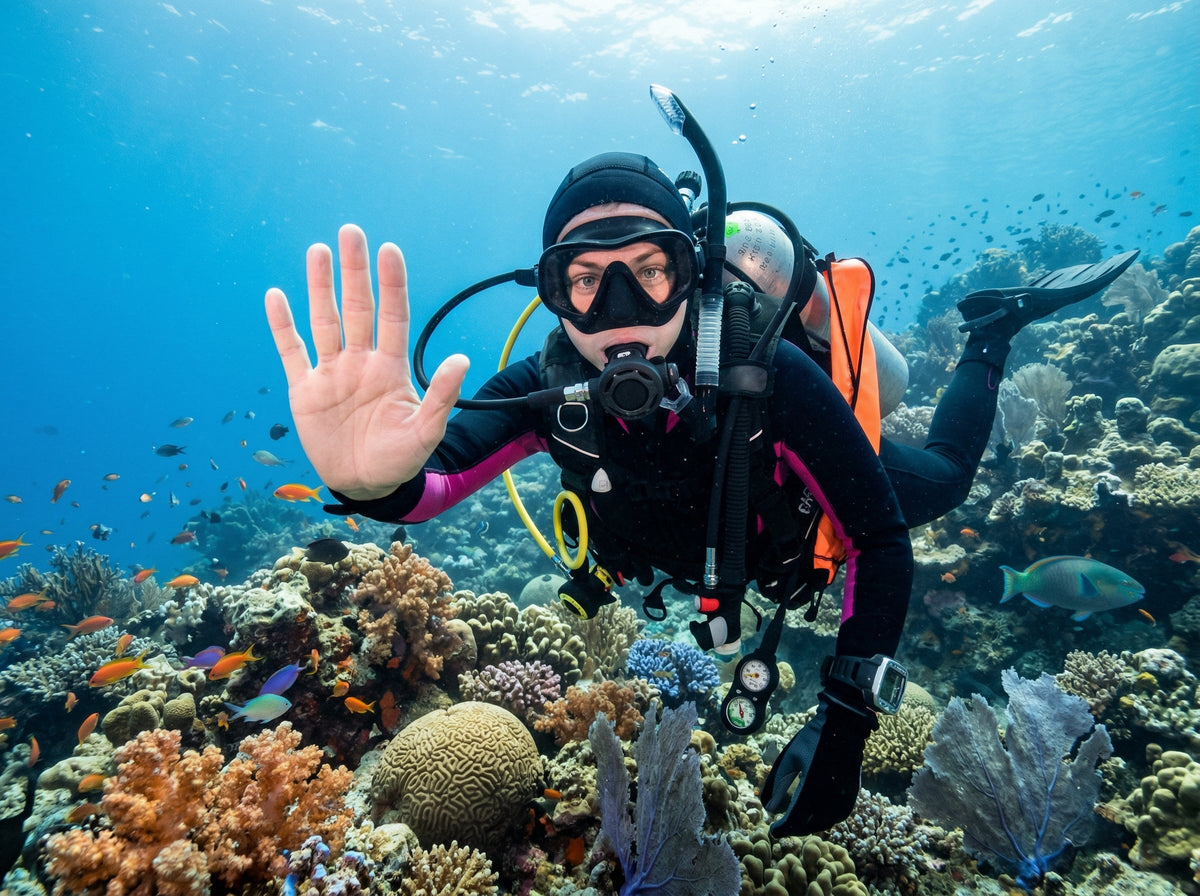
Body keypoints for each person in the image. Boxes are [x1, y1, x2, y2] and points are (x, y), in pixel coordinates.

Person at [265, 152, 1135, 837]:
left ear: (693, 272)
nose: (616, 307)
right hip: (708, 549)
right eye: (583, 277)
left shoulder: (769, 373)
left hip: (785, 495)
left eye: (648, 269)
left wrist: (843, 724)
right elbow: (431, 479)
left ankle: (989, 334)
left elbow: (877, 543)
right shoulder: (549, 387)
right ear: (552, 291)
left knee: (941, 480)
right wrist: (367, 481)